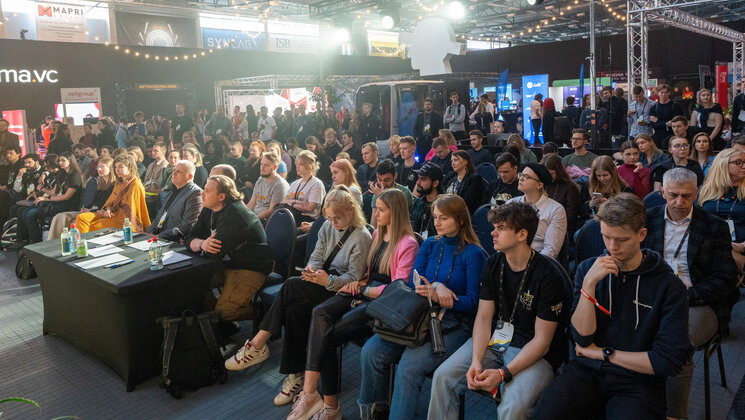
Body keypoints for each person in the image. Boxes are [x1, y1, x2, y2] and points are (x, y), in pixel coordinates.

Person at [532, 193, 692, 420]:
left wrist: (605, 353)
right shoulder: (589, 269)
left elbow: (668, 360)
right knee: (544, 414)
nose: (612, 247)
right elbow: (582, 339)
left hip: (637, 381)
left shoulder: (668, 286)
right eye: (606, 237)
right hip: (586, 372)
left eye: (622, 239)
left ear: (641, 235)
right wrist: (588, 284)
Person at [224, 187, 371, 403]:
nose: (333, 222)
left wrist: (328, 281)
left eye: (337, 217)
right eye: (328, 217)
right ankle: (296, 375)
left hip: (341, 292)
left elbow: (353, 279)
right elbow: (316, 256)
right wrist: (312, 270)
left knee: (291, 286)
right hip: (321, 281)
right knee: (293, 308)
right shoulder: (327, 226)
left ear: (351, 210)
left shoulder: (362, 237)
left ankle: (258, 345)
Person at [288, 189, 419, 420]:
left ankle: (325, 404)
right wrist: (359, 283)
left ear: (395, 212)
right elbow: (368, 273)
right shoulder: (379, 233)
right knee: (322, 320)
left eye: (381, 209)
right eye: (376, 208)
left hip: (384, 303)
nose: (375, 213)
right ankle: (322, 402)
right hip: (364, 292)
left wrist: (363, 288)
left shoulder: (408, 243)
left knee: (326, 333)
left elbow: (399, 289)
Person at [429, 202, 566, 420]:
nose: (492, 232)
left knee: (513, 407)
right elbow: (483, 318)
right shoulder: (493, 264)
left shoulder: (548, 276)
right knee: (443, 377)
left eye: (501, 228)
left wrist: (503, 373)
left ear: (522, 234)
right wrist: (476, 360)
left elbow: (542, 342)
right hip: (495, 341)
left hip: (534, 353)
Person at [358, 194, 486, 420]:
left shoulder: (473, 253)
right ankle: (375, 410)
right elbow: (413, 283)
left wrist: (443, 297)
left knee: (408, 368)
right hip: (419, 315)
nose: (436, 223)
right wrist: (437, 287)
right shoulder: (430, 244)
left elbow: (474, 303)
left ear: (460, 220)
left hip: (453, 321)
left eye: (443, 218)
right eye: (435, 217)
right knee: (371, 351)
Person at [643, 168, 737, 419]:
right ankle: (637, 401)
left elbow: (726, 278)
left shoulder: (714, 226)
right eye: (673, 195)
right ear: (662, 192)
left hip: (698, 302)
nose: (680, 202)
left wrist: (688, 295)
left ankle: (674, 415)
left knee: (677, 344)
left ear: (697, 193)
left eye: (687, 196)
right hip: (650, 297)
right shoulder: (645, 219)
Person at [186, 175, 271, 322]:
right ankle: (215, 324)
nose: (202, 193)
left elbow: (214, 252)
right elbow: (190, 237)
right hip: (228, 263)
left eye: (207, 190)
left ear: (221, 196)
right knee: (193, 287)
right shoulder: (209, 209)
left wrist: (201, 245)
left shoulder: (235, 215)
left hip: (249, 268)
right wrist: (202, 244)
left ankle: (268, 315)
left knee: (225, 312)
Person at [17, 152, 84, 244]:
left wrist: (47, 199)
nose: (60, 162)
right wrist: (43, 191)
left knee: (30, 214)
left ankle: (36, 241)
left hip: (69, 205)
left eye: (63, 160)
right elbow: (54, 192)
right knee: (24, 211)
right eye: (59, 160)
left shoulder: (75, 175)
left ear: (71, 161)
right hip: (57, 202)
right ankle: (25, 240)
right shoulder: (62, 173)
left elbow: (67, 196)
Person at [75, 155, 150, 234]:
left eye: (120, 167)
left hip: (123, 219)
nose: (117, 170)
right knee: (81, 218)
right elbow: (112, 201)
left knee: (92, 226)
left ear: (130, 167)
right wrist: (108, 209)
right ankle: (82, 243)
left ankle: (85, 244)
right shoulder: (119, 182)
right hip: (110, 213)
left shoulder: (135, 184)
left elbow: (130, 210)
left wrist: (108, 211)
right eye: (115, 167)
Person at [507, 163, 567, 259]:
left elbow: (550, 251)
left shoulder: (555, 209)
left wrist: (529, 264)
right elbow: (504, 237)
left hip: (538, 262)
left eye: (526, 177)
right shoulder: (511, 203)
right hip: (510, 258)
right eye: (521, 175)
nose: (521, 179)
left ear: (539, 185)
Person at [48, 157, 115, 240]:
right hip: (92, 210)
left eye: (102, 167)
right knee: (60, 216)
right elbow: (94, 202)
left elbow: (104, 206)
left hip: (99, 212)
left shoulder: (114, 185)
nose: (99, 169)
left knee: (77, 218)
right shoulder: (100, 183)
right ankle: (53, 243)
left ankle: (79, 243)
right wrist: (87, 208)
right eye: (98, 167)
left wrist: (89, 210)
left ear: (110, 168)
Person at [699, 148, 745, 262]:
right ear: (723, 164)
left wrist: (742, 245)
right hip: (709, 247)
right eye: (738, 163)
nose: (744, 166)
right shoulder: (706, 191)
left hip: (741, 248)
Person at [146, 160, 202, 241]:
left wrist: (159, 236)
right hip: (159, 238)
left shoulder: (195, 193)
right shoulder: (171, 192)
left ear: (190, 177)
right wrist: (148, 233)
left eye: (179, 172)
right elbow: (159, 217)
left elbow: (187, 225)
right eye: (174, 170)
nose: (174, 173)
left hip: (175, 241)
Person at [579, 156, 633, 222]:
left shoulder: (624, 189)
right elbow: (579, 211)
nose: (602, 179)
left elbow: (629, 213)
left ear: (613, 172)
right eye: (598, 176)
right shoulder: (587, 186)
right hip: (591, 222)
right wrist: (590, 205)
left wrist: (609, 206)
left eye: (605, 175)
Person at [283, 150, 326, 224]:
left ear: (310, 165)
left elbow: (309, 208)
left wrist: (291, 203)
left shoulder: (317, 184)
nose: (298, 167)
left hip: (306, 220)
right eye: (297, 164)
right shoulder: (295, 183)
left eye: (301, 164)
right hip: (292, 215)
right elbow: (284, 201)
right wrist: (296, 202)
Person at [247, 152, 290, 222]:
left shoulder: (280, 185)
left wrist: (252, 219)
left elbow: (272, 211)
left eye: (266, 165)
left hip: (266, 221)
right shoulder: (260, 180)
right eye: (261, 164)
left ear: (275, 167)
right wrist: (243, 215)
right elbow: (252, 202)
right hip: (255, 218)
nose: (262, 168)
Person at [543, 154, 579, 236]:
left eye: (551, 174)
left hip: (562, 229)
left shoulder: (570, 188)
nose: (549, 177)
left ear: (558, 172)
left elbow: (571, 215)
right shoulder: (543, 184)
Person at [410, 163, 443, 239]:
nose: (418, 182)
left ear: (435, 183)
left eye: (423, 179)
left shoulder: (445, 205)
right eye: (418, 178)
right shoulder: (418, 203)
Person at [649, 84, 683, 148]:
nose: (664, 94)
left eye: (666, 92)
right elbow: (653, 125)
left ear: (669, 93)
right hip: (658, 137)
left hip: (672, 136)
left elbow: (675, 123)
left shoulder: (675, 106)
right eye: (661, 92)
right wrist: (667, 123)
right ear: (657, 93)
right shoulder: (654, 108)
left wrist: (658, 121)